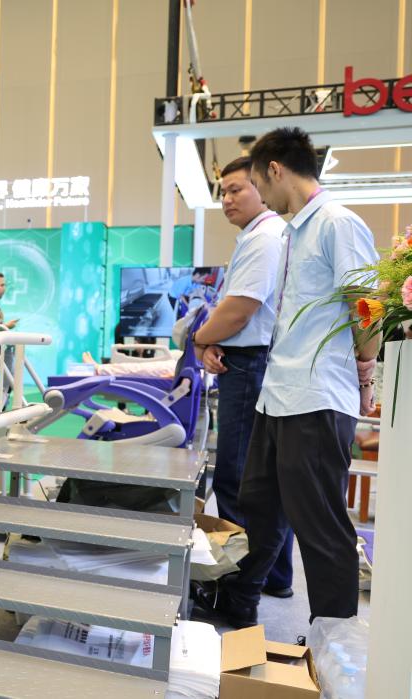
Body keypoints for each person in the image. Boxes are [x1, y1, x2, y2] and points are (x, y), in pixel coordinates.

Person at [196, 127, 379, 628]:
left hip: (316, 396)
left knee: (320, 524)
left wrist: (365, 372)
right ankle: (239, 601)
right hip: (277, 395)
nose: (257, 194)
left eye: (255, 183)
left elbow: (367, 307)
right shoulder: (293, 231)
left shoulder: (338, 224)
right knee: (257, 506)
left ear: (274, 170)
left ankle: (332, 637)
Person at [191, 156, 294, 598]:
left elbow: (238, 311)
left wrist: (199, 339)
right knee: (263, 479)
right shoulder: (261, 236)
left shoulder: (264, 238)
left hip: (251, 366)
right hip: (249, 359)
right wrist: (215, 341)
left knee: (239, 479)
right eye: (223, 192)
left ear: (262, 187)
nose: (227, 199)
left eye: (237, 189)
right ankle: (272, 577)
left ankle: (237, 588)